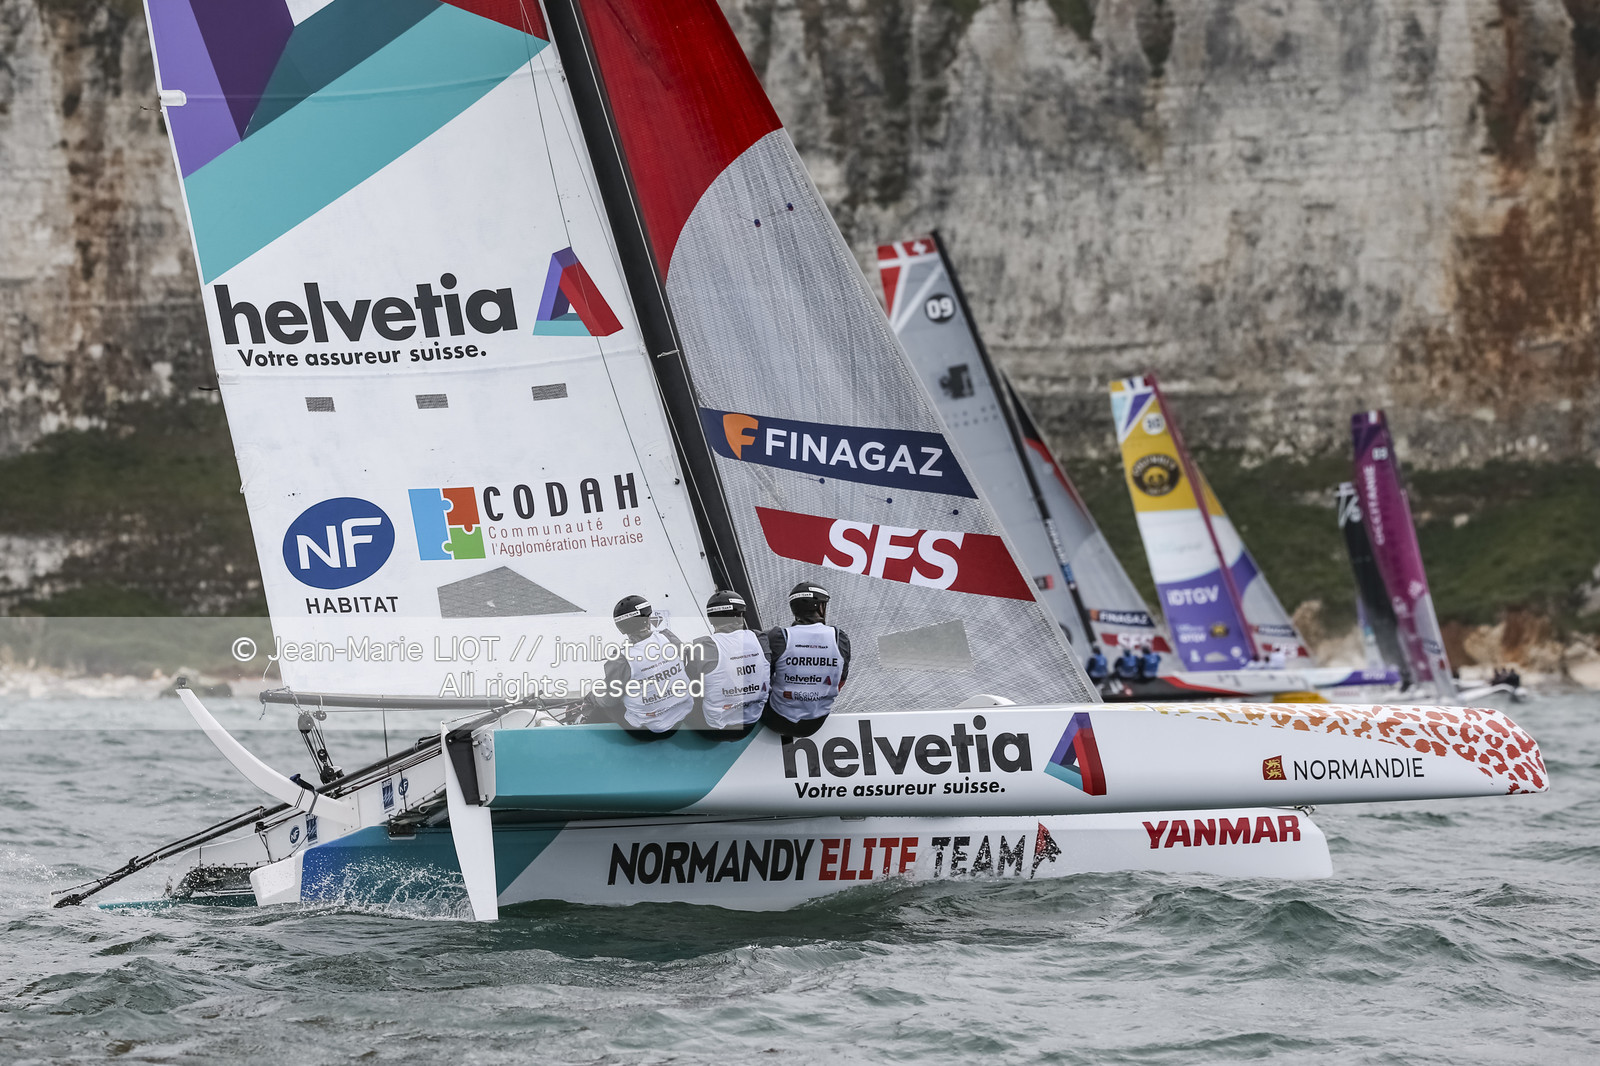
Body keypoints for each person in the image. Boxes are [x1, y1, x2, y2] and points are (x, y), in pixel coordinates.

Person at [587, 595, 705, 740]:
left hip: (648, 731)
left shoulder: (620, 659)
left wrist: (593, 697)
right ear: (647, 620)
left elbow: (609, 699)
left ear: (621, 627)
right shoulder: (669, 638)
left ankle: (586, 737)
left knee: (602, 705)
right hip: (681, 717)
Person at [763, 581, 850, 737]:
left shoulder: (779, 636)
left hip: (776, 719)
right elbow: (841, 681)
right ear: (821, 607)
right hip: (815, 723)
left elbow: (759, 680)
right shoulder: (839, 637)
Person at [690, 589, 772, 739]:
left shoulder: (702, 645)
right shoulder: (760, 638)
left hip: (715, 729)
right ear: (741, 615)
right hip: (751, 722)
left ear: (711, 619)